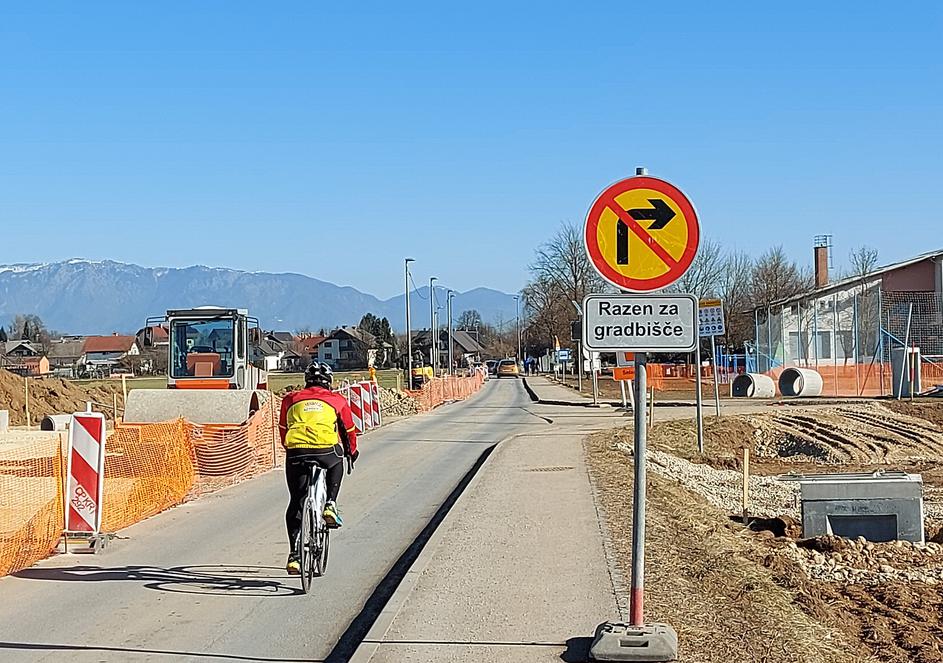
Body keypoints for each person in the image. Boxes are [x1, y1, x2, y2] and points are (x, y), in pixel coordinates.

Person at [279, 361, 359, 575]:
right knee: (338, 458)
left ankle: (295, 556)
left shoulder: (290, 399)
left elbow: (283, 428)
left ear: (306, 381)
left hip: (297, 451)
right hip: (325, 451)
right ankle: (330, 504)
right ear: (329, 382)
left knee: (296, 500)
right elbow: (348, 430)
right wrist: (351, 451)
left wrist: (290, 448)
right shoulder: (337, 400)